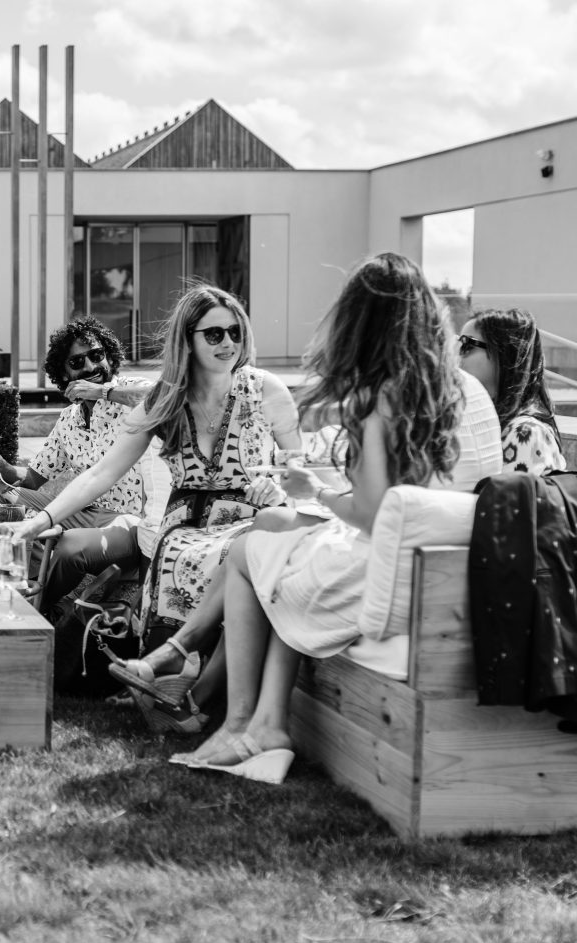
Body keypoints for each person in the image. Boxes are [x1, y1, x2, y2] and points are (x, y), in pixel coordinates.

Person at [170, 252, 491, 783]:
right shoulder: (468, 391)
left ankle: (246, 722)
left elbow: (370, 514)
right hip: (453, 570)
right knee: (278, 544)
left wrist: (318, 489)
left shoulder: (380, 397)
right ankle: (260, 722)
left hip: (380, 576)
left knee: (251, 551)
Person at [14, 284, 304, 703]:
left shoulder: (267, 390)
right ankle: (179, 684)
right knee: (175, 551)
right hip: (182, 522)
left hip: (248, 518)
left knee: (233, 552)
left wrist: (278, 482)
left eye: (235, 332)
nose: (228, 343)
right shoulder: (165, 400)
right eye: (214, 334)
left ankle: (180, 680)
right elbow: (101, 473)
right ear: (187, 339)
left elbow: (299, 464)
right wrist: (41, 521)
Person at [0, 315, 153, 602]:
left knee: (70, 547)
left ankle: (37, 604)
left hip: (127, 519)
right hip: (79, 509)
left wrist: (102, 391)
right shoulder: (69, 418)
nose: (91, 366)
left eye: (96, 355)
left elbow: (162, 396)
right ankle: (29, 569)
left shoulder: (130, 392)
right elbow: (32, 480)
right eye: (77, 362)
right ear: (64, 374)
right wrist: (0, 465)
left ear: (109, 355)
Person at [458, 308, 566, 475]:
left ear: (504, 354)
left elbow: (508, 501)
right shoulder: (486, 421)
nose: (458, 357)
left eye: (466, 346)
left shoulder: (524, 433)